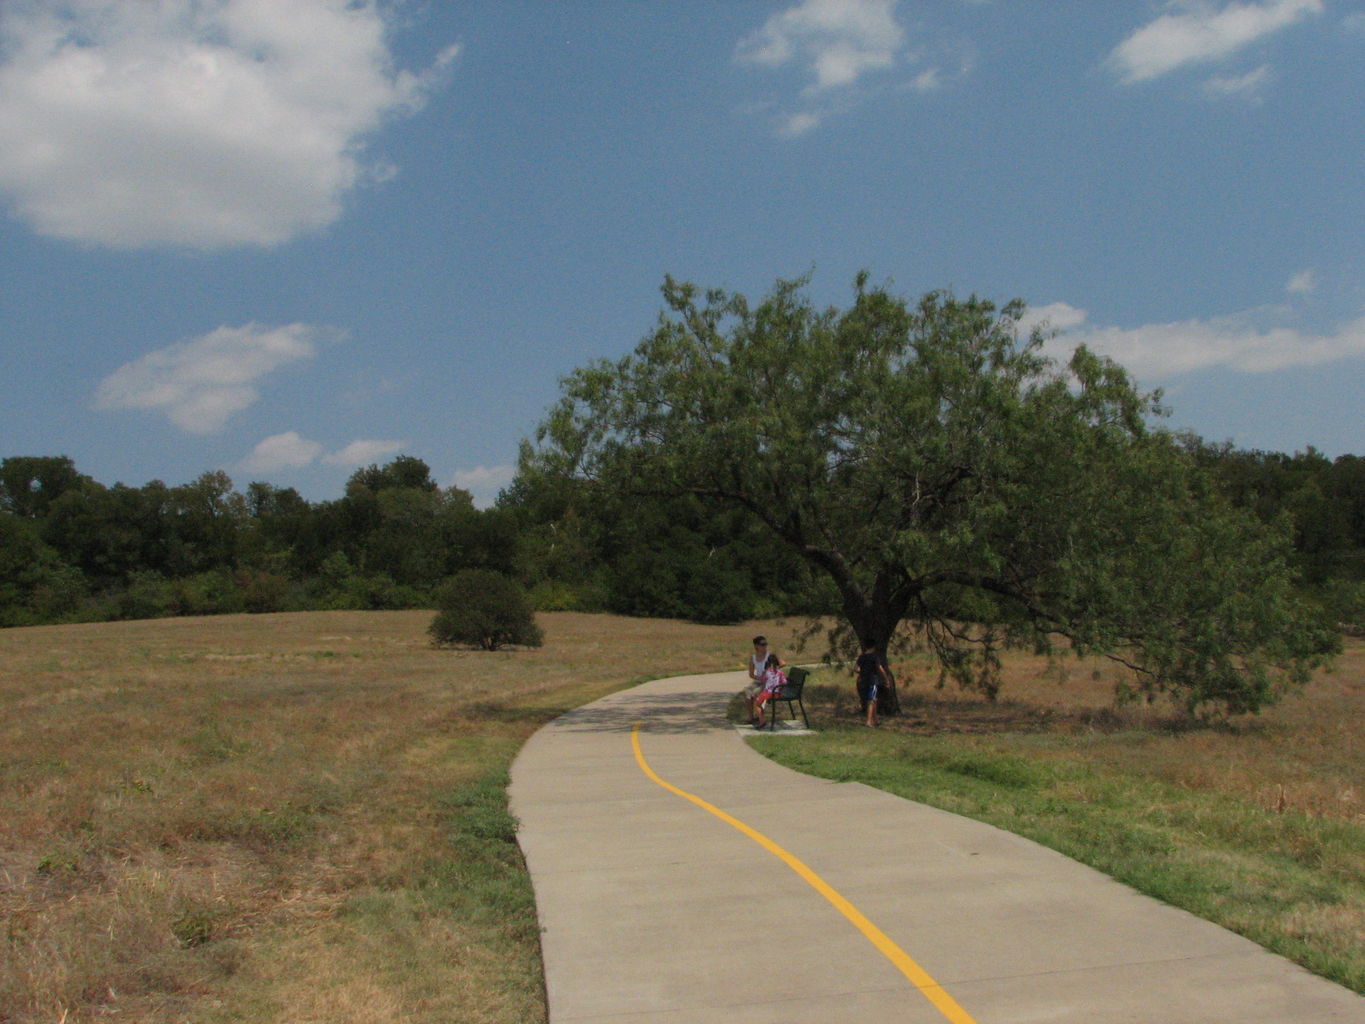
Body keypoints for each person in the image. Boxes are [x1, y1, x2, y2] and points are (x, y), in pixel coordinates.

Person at [744, 635, 783, 724]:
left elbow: (783, 663)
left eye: (766, 644)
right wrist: (759, 677)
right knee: (747, 693)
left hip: (768, 683)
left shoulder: (770, 656)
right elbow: (751, 674)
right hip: (759, 680)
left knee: (755, 694)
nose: (765, 646)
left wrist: (772, 671)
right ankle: (751, 717)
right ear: (756, 646)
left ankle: (759, 717)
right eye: (762, 644)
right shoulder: (753, 657)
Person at [854, 643, 891, 727]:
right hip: (872, 681)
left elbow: (855, 669)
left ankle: (875, 720)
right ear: (873, 647)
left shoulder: (861, 657)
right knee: (871, 700)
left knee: (874, 699)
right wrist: (886, 679)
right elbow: (880, 668)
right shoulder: (874, 657)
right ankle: (868, 721)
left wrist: (862, 672)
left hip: (863, 681)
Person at [752, 653, 787, 730]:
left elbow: (763, 680)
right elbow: (784, 682)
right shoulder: (780, 672)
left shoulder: (767, 672)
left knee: (756, 703)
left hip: (768, 693)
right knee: (759, 702)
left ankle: (762, 721)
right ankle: (762, 719)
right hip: (777, 693)